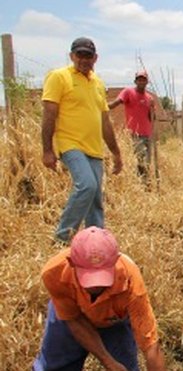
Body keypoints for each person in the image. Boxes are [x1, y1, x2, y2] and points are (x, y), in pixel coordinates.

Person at [27, 226, 183, 371]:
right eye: (89, 279)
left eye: (102, 279)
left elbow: (151, 346)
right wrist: (109, 363)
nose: (96, 287)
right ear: (72, 264)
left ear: (115, 263)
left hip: (114, 322)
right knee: (52, 370)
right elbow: (74, 322)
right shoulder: (55, 272)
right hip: (72, 318)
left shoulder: (130, 280)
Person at [42, 37, 123, 244]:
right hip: (70, 144)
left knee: (95, 197)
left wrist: (116, 153)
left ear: (95, 58)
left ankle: (95, 243)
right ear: (72, 56)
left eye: (88, 55)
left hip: (94, 149)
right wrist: (47, 150)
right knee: (86, 186)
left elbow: (105, 121)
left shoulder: (98, 82)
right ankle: (62, 238)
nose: (84, 59)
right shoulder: (59, 77)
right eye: (80, 55)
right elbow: (49, 114)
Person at [109, 70, 156, 185]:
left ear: (147, 82)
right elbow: (116, 103)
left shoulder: (149, 98)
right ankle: (142, 184)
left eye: (143, 80)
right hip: (135, 134)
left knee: (147, 161)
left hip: (147, 134)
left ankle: (144, 184)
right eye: (139, 80)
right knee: (141, 159)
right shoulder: (128, 92)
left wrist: (151, 107)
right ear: (135, 81)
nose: (141, 82)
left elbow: (152, 118)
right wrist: (101, 107)